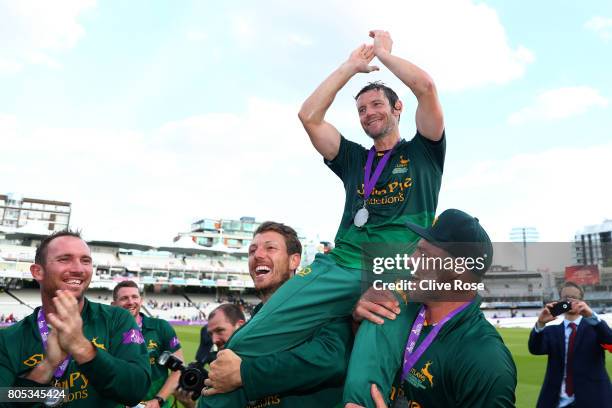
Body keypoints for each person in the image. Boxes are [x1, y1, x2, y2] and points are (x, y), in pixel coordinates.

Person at [204, 29, 444, 407]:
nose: (369, 113)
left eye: (377, 104)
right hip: (337, 267)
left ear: (397, 109)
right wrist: (351, 67)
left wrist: (385, 54)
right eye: (362, 109)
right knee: (239, 348)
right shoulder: (354, 159)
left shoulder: (424, 153)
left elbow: (427, 87)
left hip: (392, 269)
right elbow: (309, 116)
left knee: (363, 382)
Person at [346, 209, 517, 407]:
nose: (410, 260)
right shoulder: (402, 306)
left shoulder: (485, 359)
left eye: (424, 254)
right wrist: (360, 317)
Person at [198, 221, 353, 407]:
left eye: (270, 248)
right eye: (252, 250)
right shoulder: (246, 331)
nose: (258, 255)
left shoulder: (322, 306)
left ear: (294, 260)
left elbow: (331, 359)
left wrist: (245, 373)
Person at [0, 230, 151, 407]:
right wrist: (47, 367)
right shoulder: (8, 339)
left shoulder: (117, 319)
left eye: (85, 261)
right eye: (64, 259)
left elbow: (136, 390)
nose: (78, 269)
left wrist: (81, 348)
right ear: (38, 272)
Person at [528, 281, 612, 408]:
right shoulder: (551, 331)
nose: (570, 301)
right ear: (559, 302)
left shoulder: (595, 329)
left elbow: (610, 341)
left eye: (574, 298)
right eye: (566, 298)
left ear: (582, 301)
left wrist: (591, 316)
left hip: (593, 399)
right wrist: (540, 324)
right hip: (557, 401)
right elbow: (535, 349)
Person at [111, 280, 183, 408]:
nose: (130, 302)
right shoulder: (107, 332)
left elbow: (178, 370)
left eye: (135, 297)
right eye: (124, 298)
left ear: (141, 300)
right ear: (113, 304)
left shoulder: (161, 327)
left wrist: (158, 400)